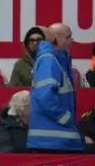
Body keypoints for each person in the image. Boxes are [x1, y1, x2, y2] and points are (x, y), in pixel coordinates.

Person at [28, 23, 84, 152]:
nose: (72, 40)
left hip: (55, 140)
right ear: (57, 40)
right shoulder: (49, 60)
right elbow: (45, 97)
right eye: (68, 37)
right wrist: (66, 118)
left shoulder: (56, 59)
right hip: (52, 141)